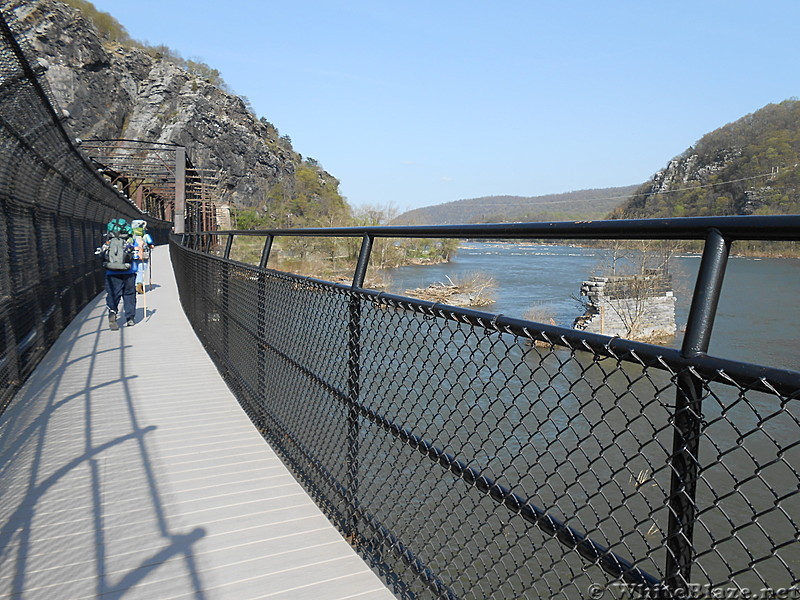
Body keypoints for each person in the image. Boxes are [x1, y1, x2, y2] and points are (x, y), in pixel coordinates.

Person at [100, 218, 137, 329]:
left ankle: (112, 313)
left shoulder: (108, 241)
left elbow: (102, 255)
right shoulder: (130, 241)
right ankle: (130, 318)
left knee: (113, 294)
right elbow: (137, 255)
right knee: (129, 293)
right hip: (129, 271)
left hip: (111, 272)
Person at [131, 219, 155, 294]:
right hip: (144, 255)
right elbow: (151, 244)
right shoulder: (145, 235)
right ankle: (139, 283)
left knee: (134, 270)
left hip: (133, 255)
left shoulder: (131, 235)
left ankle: (133, 284)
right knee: (141, 270)